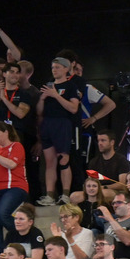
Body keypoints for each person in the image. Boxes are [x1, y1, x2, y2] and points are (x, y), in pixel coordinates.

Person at [35, 57, 81, 206]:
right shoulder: (47, 86)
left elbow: (73, 108)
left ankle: (65, 195)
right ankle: (50, 195)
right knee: (49, 161)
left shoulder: (70, 86)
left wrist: (56, 95)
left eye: (58, 67)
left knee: (63, 159)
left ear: (66, 69)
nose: (54, 70)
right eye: (53, 67)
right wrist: (42, 99)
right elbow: (39, 112)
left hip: (62, 123)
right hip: (47, 124)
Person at [0, 121, 28, 256]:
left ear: (6, 132)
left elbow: (11, 164)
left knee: (2, 213)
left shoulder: (17, 146)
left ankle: (23, 235)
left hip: (14, 186)